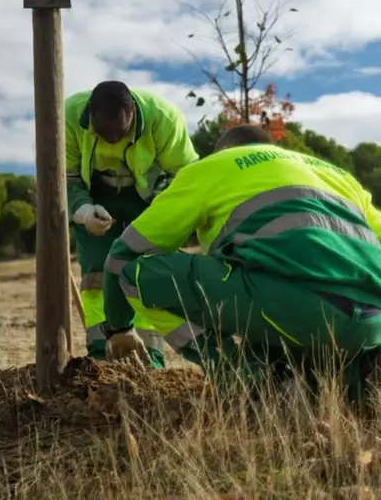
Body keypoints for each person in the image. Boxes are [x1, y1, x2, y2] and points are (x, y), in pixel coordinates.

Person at [101, 124, 381, 399]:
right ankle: (356, 375)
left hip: (295, 309)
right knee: (325, 383)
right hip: (371, 320)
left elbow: (123, 252)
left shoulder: (214, 166)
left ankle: (238, 377)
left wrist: (119, 327)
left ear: (223, 151)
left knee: (134, 273)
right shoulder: (340, 176)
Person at [66, 81, 199, 368]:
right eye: (104, 134)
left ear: (134, 116)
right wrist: (83, 211)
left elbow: (185, 174)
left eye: (121, 133)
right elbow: (65, 176)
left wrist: (160, 210)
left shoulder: (164, 117)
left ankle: (149, 354)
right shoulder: (67, 115)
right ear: (90, 115)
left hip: (148, 197)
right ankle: (102, 353)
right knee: (97, 273)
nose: (112, 141)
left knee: (145, 269)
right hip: (95, 192)